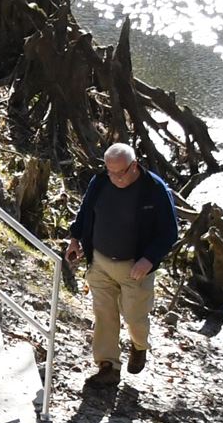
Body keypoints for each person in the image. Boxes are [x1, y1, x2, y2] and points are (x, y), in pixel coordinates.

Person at [61, 142, 179, 388]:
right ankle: (108, 366)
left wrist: (149, 259)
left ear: (134, 166)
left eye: (120, 173)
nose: (114, 178)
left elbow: (169, 232)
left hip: (136, 267)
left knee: (135, 317)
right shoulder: (101, 181)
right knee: (104, 315)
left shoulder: (154, 189)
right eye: (109, 171)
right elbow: (86, 211)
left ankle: (139, 346)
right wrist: (75, 238)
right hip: (101, 262)